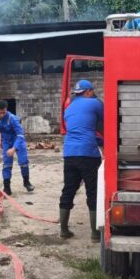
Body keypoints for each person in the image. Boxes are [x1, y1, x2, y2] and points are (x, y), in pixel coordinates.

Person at [59, 80, 104, 241]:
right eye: (93, 91)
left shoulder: (68, 108)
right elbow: (106, 123)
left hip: (69, 153)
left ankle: (63, 230)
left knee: (68, 189)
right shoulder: (95, 103)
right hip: (88, 154)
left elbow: (80, 130)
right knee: (93, 191)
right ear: (88, 91)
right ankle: (95, 233)